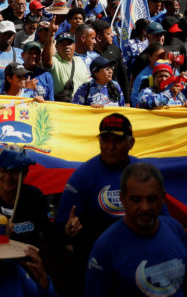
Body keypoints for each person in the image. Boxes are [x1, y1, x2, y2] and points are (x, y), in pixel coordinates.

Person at [85, 162, 187, 296]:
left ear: (163, 198)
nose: (145, 207)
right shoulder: (105, 247)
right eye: (136, 200)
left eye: (152, 199)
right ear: (123, 199)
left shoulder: (175, 229)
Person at [56, 113, 138, 294]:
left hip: (136, 263)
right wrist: (68, 229)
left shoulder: (143, 173)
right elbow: (61, 225)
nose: (109, 146)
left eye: (117, 140)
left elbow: (162, 218)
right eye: (104, 140)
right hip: (96, 267)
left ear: (131, 143)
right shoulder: (83, 176)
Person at [0, 147, 50, 248]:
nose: (8, 177)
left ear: (24, 174)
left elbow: (50, 233)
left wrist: (67, 231)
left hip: (24, 260)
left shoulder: (36, 198)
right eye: (3, 170)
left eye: (14, 172)